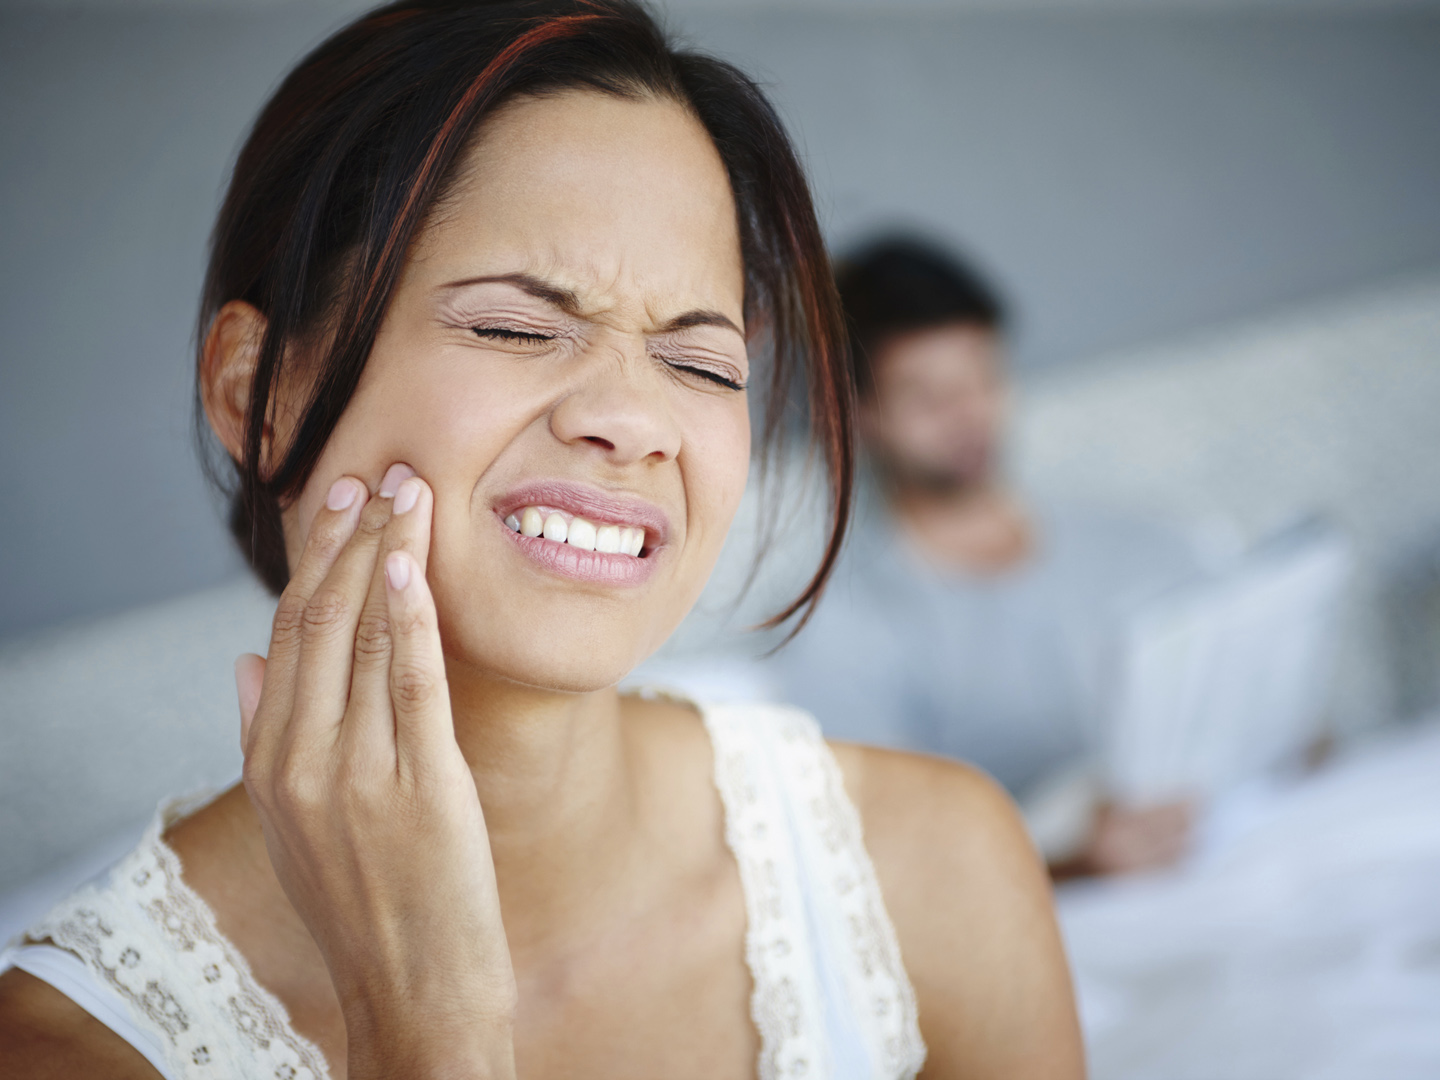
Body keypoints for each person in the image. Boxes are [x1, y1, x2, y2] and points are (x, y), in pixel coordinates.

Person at [0, 5, 1083, 1077]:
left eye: (701, 364)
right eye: (516, 327)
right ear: (259, 393)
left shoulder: (935, 869)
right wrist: (426, 1022)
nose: (634, 420)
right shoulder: (65, 1050)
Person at [768, 237, 1202, 875]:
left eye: (982, 377)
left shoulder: (1140, 545)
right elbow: (885, 851)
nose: (967, 415)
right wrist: (1075, 866)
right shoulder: (846, 624)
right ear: (860, 414)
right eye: (926, 396)